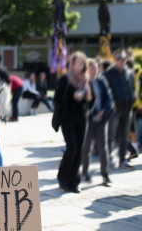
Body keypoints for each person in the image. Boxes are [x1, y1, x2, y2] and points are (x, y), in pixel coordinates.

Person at [52, 51, 94, 193]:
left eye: (82, 63)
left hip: (81, 118)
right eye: (78, 62)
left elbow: (91, 100)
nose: (80, 65)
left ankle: (74, 181)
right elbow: (58, 99)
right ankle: (63, 177)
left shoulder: (86, 79)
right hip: (67, 118)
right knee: (72, 147)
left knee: (80, 149)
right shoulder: (65, 79)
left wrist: (88, 96)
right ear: (72, 63)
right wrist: (72, 94)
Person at [82, 59, 113, 186]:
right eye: (91, 68)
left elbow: (109, 98)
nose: (94, 70)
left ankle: (105, 174)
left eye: (95, 67)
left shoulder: (102, 81)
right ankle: (85, 172)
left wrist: (104, 110)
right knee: (86, 147)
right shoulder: (84, 82)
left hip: (101, 118)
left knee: (102, 146)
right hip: (89, 119)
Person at [104, 50, 136, 169]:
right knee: (111, 135)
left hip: (127, 108)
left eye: (123, 59)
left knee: (124, 135)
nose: (121, 61)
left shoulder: (129, 73)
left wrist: (132, 99)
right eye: (119, 59)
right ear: (114, 60)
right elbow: (106, 91)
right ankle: (109, 159)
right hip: (115, 109)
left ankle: (122, 159)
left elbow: (133, 89)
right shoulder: (109, 73)